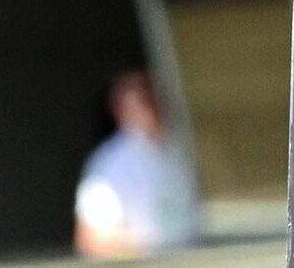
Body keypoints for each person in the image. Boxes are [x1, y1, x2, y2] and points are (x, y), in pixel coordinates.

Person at [72, 71, 199, 257]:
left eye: (152, 97)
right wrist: (144, 252)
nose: (150, 107)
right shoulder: (109, 163)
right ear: (118, 110)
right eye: (140, 101)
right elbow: (93, 240)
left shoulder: (186, 149)